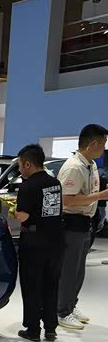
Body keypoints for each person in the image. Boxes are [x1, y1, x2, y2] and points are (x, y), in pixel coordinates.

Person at [56, 124, 108, 330]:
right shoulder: (74, 167)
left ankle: (70, 305)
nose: (104, 148)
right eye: (103, 143)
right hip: (72, 222)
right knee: (69, 270)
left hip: (86, 222)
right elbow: (66, 200)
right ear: (93, 143)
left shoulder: (90, 165)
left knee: (78, 271)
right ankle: (61, 311)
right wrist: (101, 196)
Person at [13, 144, 64, 342]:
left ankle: (33, 330)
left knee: (32, 285)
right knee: (51, 285)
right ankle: (50, 328)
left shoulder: (27, 186)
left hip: (34, 243)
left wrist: (14, 211)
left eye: (20, 165)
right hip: (55, 240)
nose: (19, 169)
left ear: (28, 164)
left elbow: (23, 216)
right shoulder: (55, 183)